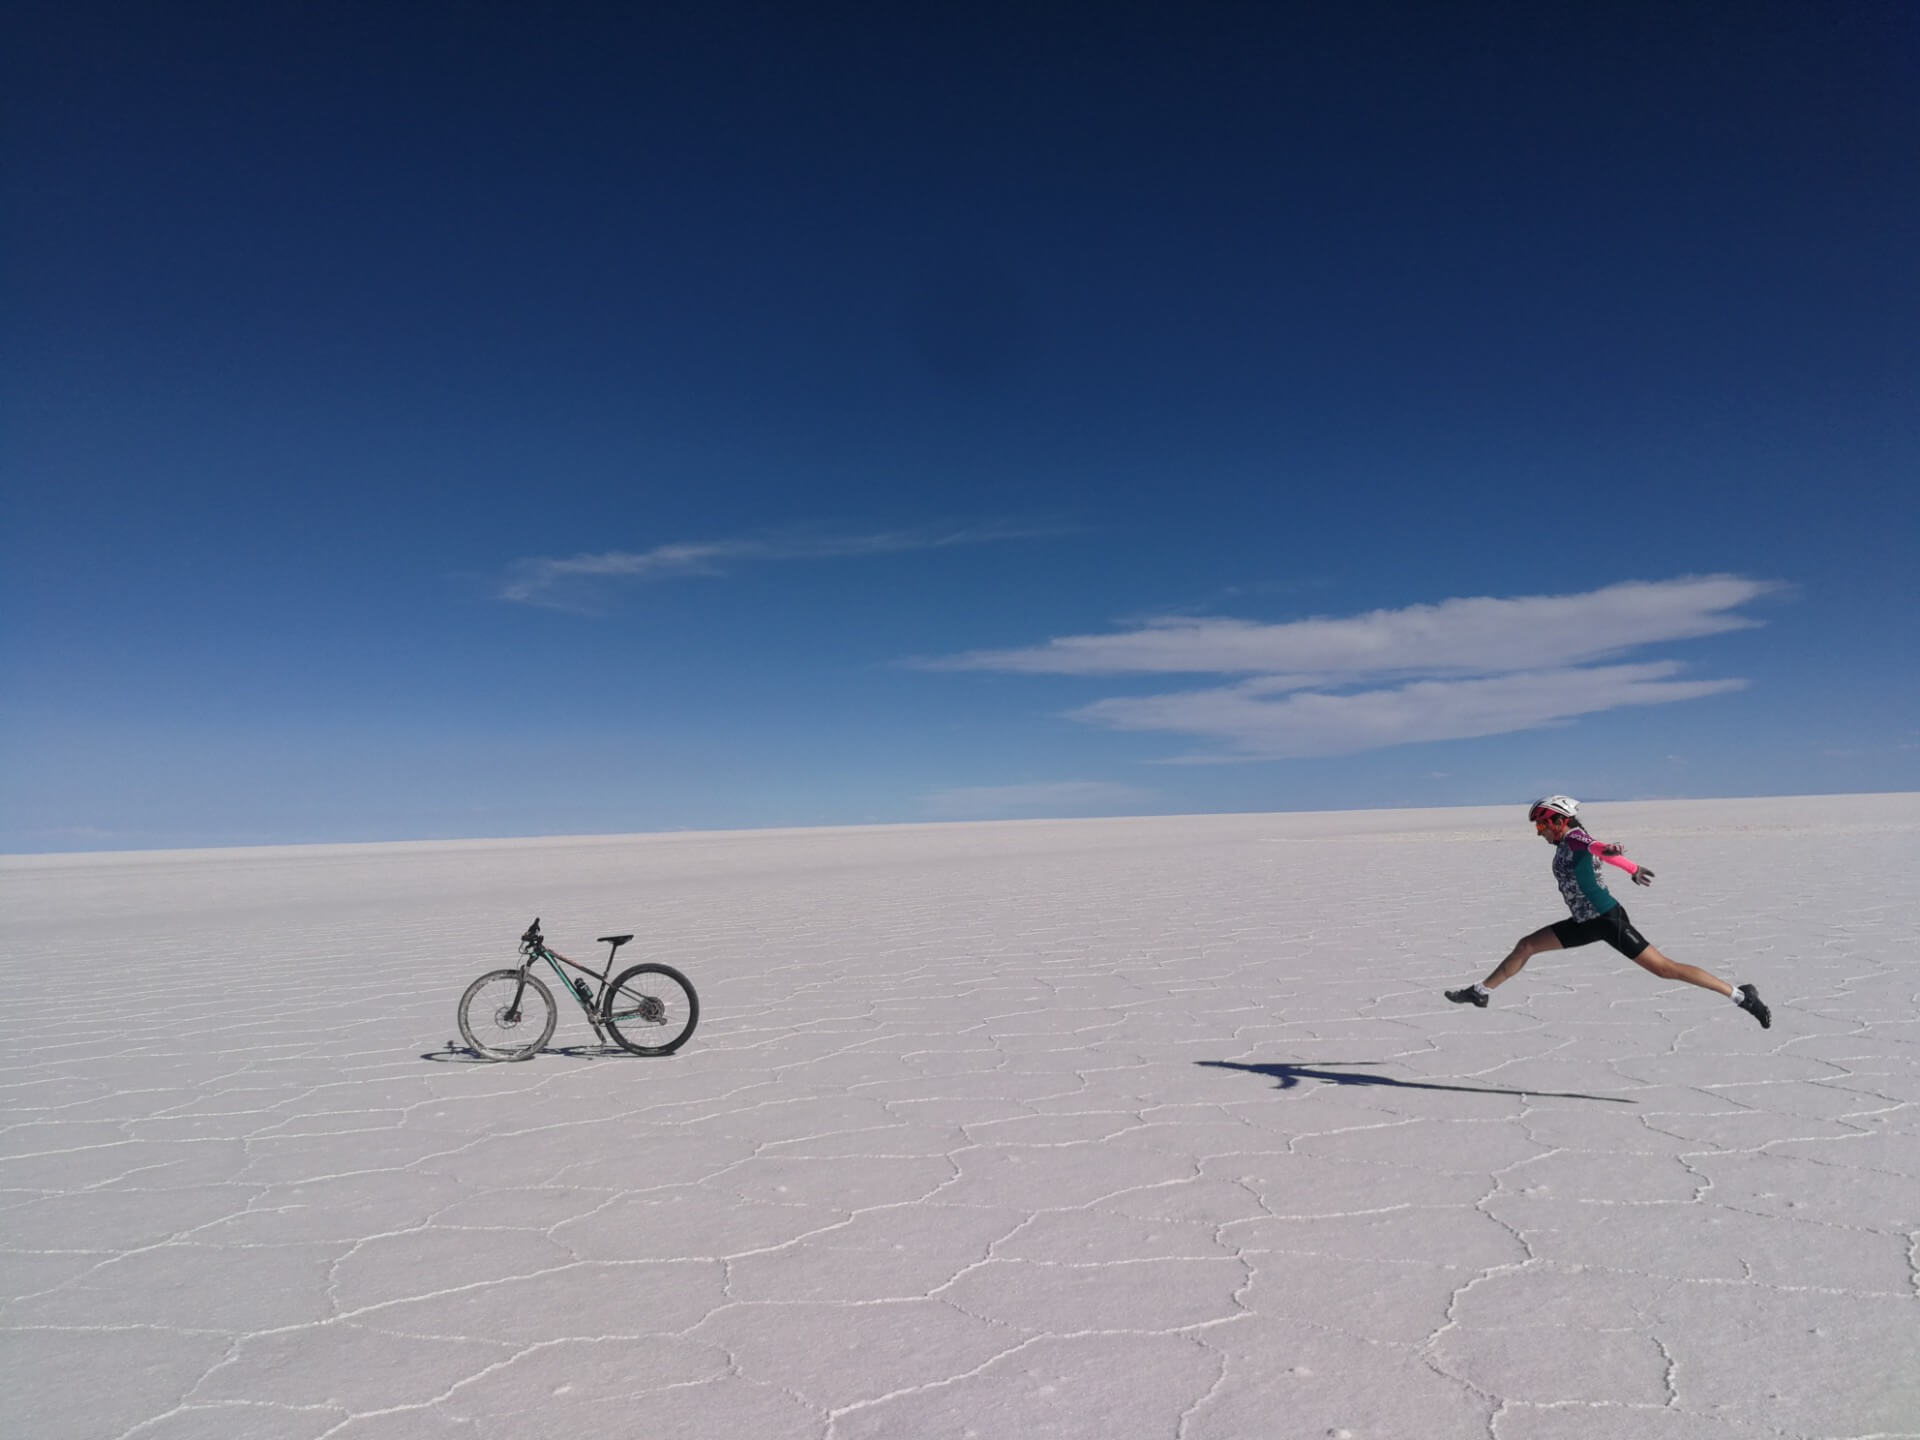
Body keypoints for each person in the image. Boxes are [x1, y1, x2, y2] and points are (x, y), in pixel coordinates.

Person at [1446, 795, 1770, 1028]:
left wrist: (1620, 858)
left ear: (1560, 821)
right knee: (1527, 945)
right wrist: (1630, 867)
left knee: (1663, 968)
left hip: (1606, 919)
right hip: (1585, 921)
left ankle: (1742, 995)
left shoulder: (1574, 837)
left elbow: (1594, 846)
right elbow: (1600, 851)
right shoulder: (1565, 842)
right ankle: (1480, 992)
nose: (1539, 831)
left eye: (1542, 824)